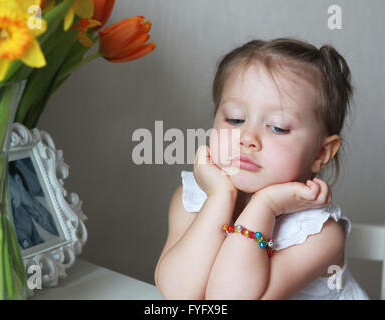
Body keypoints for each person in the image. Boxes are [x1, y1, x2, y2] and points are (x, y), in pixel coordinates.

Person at [154, 38, 369, 300]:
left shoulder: (321, 235)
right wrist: (221, 198)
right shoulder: (191, 200)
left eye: (277, 127)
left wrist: (264, 206)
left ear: (321, 153)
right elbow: (178, 295)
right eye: (235, 119)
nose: (247, 138)